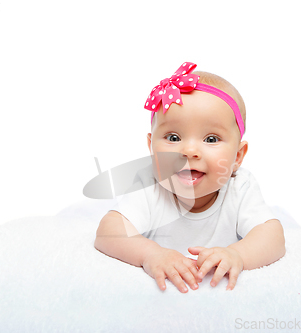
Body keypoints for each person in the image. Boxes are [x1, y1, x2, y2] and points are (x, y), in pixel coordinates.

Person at [94, 62, 285, 293]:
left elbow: (273, 236)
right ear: (151, 147)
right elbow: (108, 232)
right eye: (173, 137)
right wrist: (150, 254)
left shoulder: (240, 186)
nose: (189, 151)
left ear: (238, 156)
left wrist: (238, 255)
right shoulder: (150, 184)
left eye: (211, 139)